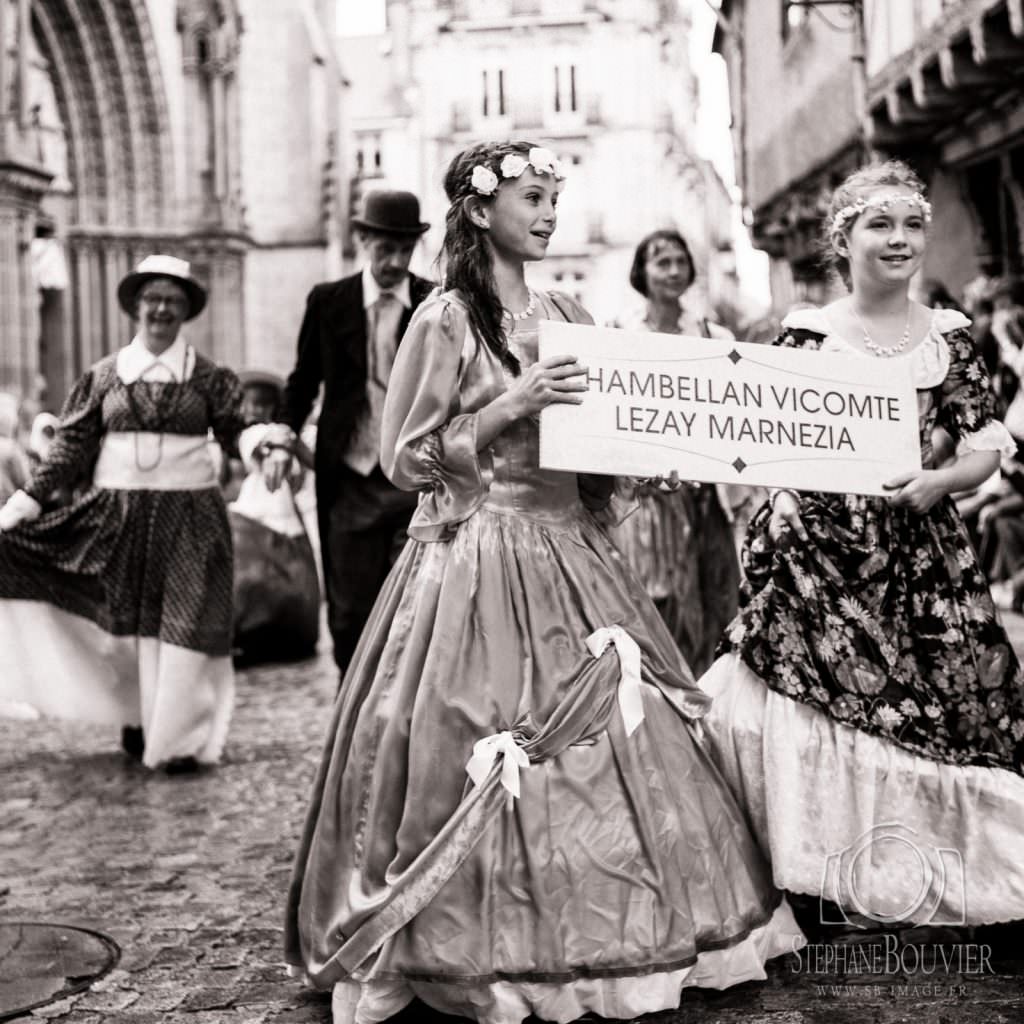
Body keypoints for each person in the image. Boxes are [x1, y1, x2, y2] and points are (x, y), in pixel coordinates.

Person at [285, 140, 802, 1024]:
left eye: (554, 196)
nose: (550, 211)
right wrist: (502, 410)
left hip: (574, 556)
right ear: (481, 210)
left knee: (625, 742)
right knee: (464, 725)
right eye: (532, 196)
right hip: (478, 555)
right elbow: (402, 459)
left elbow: (601, 443)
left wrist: (652, 465)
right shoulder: (447, 317)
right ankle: (467, 937)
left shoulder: (568, 310)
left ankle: (618, 921)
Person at [701, 161, 1024, 925]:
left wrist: (941, 483)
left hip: (917, 547)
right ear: (842, 240)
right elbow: (769, 436)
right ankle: (818, 867)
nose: (901, 238)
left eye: (913, 224)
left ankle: (913, 867)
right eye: (880, 224)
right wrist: (777, 502)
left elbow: (985, 446)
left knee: (941, 697)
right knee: (812, 703)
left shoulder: (948, 339)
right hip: (819, 546)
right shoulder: (809, 333)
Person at [0, 254, 286, 772]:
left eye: (173, 302)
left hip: (190, 521)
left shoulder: (208, 377)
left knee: (183, 623)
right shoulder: (104, 377)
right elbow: (69, 447)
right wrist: (26, 502)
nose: (161, 310)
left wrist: (261, 445)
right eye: (153, 300)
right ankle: (135, 712)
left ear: (186, 311)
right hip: (117, 518)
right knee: (123, 630)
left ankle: (176, 740)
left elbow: (235, 428)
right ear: (135, 306)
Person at [283, 190, 435, 676]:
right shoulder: (328, 302)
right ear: (363, 239)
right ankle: (355, 708)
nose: (394, 262)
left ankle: (406, 710)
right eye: (383, 248)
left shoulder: (436, 303)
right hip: (349, 479)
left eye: (404, 250)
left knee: (417, 603)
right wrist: (282, 436)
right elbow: (303, 381)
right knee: (349, 612)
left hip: (416, 480)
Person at [608, 230, 742, 675]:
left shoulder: (713, 334)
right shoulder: (619, 335)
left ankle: (704, 691)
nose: (671, 271)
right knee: (652, 597)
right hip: (646, 498)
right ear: (641, 273)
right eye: (660, 261)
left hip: (703, 496)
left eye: (679, 261)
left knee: (711, 594)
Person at [229, 370, 320, 665]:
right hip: (256, 513)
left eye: (261, 404)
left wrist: (287, 444)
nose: (254, 410)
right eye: (249, 404)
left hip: (286, 519)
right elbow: (250, 442)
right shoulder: (249, 441)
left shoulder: (294, 439)